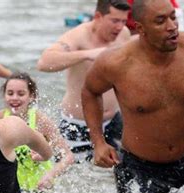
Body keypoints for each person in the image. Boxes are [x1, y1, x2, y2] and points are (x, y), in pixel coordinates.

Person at [81, 0, 184, 193]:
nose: (172, 27)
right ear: (140, 28)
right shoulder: (116, 62)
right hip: (137, 170)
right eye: (160, 21)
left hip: (183, 164)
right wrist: (98, 142)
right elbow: (90, 91)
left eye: (173, 17)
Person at [37, 0, 131, 162]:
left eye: (123, 21)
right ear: (98, 16)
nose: (119, 27)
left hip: (114, 120)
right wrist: (88, 54)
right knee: (76, 176)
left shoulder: (124, 34)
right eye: (115, 21)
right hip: (77, 124)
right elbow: (44, 62)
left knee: (120, 173)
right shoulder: (78, 36)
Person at [0, 72, 74, 191]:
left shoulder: (41, 121)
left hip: (39, 189)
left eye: (21, 94)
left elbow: (68, 156)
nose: (14, 98)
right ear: (4, 96)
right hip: (9, 189)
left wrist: (50, 175)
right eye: (10, 93)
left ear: (32, 96)